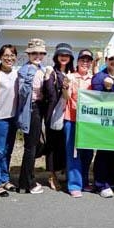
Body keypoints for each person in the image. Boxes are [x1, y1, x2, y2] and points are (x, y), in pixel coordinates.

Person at [91, 46, 114, 198]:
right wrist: (106, 89)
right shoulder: (99, 77)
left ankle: (112, 179)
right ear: (106, 60)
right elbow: (96, 99)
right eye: (111, 59)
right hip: (103, 120)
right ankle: (100, 183)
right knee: (103, 152)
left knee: (112, 151)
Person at [16, 38, 47, 195]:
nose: (37, 56)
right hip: (31, 109)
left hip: (40, 108)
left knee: (37, 145)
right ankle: (26, 183)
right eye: (34, 53)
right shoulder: (25, 70)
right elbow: (22, 94)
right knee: (31, 147)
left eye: (41, 53)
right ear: (28, 54)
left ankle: (26, 179)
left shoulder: (42, 69)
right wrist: (28, 79)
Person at [63, 49, 94, 198]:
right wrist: (65, 86)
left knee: (88, 153)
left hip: (88, 122)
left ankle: (85, 181)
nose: (85, 63)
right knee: (73, 154)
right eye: (82, 60)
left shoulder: (93, 79)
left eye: (88, 60)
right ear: (78, 61)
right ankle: (74, 185)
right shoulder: (70, 77)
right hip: (72, 119)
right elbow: (66, 97)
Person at [0, 44, 19, 197]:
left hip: (13, 117)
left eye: (12, 55)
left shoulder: (17, 73)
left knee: (7, 151)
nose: (9, 58)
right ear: (0, 57)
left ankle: (5, 179)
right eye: (6, 55)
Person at [44, 43, 72, 191]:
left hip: (68, 114)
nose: (64, 57)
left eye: (67, 55)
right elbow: (49, 93)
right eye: (61, 54)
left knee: (64, 144)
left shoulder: (72, 72)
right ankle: (51, 175)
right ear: (56, 56)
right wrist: (48, 77)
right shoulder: (52, 72)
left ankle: (65, 170)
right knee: (52, 146)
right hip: (54, 113)